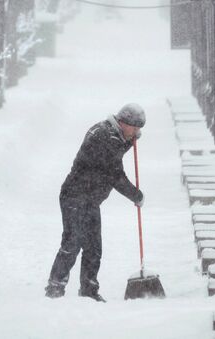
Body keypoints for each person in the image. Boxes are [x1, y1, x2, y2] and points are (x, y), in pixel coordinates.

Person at [45, 103, 146, 302]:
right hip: (75, 196)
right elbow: (114, 175)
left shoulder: (113, 135)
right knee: (72, 243)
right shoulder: (104, 137)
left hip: (90, 199)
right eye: (135, 128)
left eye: (138, 129)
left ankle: (89, 290)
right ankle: (55, 288)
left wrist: (128, 142)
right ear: (123, 123)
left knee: (93, 246)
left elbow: (112, 163)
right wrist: (136, 196)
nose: (136, 132)